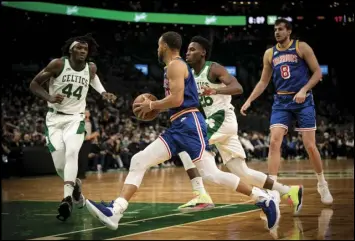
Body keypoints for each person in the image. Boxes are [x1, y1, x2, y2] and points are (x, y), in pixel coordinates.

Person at [85, 31, 280, 231]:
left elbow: (177, 100)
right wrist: (157, 105)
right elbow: (176, 101)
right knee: (144, 161)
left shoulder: (176, 66)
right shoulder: (172, 67)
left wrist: (152, 106)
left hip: (189, 124)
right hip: (181, 124)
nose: (157, 49)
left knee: (210, 174)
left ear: (165, 46)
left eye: (159, 45)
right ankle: (116, 211)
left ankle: (263, 197)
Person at [178, 36, 303, 215]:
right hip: (221, 124)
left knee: (183, 142)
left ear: (203, 53)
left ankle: (200, 194)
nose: (187, 53)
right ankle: (289, 191)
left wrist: (215, 90)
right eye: (187, 50)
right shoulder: (190, 75)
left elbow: (238, 88)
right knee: (243, 173)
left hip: (221, 118)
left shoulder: (213, 68)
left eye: (192, 49)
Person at [240, 19, 333, 205]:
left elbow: (317, 73)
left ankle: (322, 183)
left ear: (289, 31)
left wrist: (304, 90)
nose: (277, 32)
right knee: (274, 141)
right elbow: (263, 82)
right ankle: (273, 188)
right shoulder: (269, 53)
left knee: (310, 145)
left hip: (303, 100)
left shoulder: (301, 47)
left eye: (280, 29)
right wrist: (249, 100)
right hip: (281, 101)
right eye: (275, 29)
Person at [29, 34, 117, 221]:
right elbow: (34, 84)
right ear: (71, 50)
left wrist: (103, 93)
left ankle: (67, 198)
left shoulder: (91, 67)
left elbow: (93, 79)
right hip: (54, 120)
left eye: (85, 49)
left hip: (76, 119)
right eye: (79, 48)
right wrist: (49, 97)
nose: (82, 51)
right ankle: (75, 188)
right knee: (60, 166)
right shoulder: (58, 65)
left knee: (71, 154)